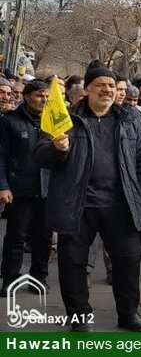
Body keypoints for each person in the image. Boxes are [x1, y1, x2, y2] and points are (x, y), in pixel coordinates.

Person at [34, 64, 141, 332]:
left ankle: (129, 315)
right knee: (73, 265)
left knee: (128, 263)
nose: (108, 90)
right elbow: (41, 156)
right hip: (77, 205)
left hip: (121, 205)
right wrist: (56, 148)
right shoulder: (64, 117)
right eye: (101, 84)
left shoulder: (130, 119)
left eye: (112, 86)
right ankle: (80, 318)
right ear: (87, 89)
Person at [0, 80, 51, 295]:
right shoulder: (9, 122)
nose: (44, 100)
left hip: (47, 189)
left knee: (43, 238)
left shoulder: (53, 122)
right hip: (20, 189)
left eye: (47, 96)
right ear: (27, 96)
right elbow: (1, 157)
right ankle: (10, 279)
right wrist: (3, 186)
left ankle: (39, 278)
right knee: (16, 237)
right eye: (40, 95)